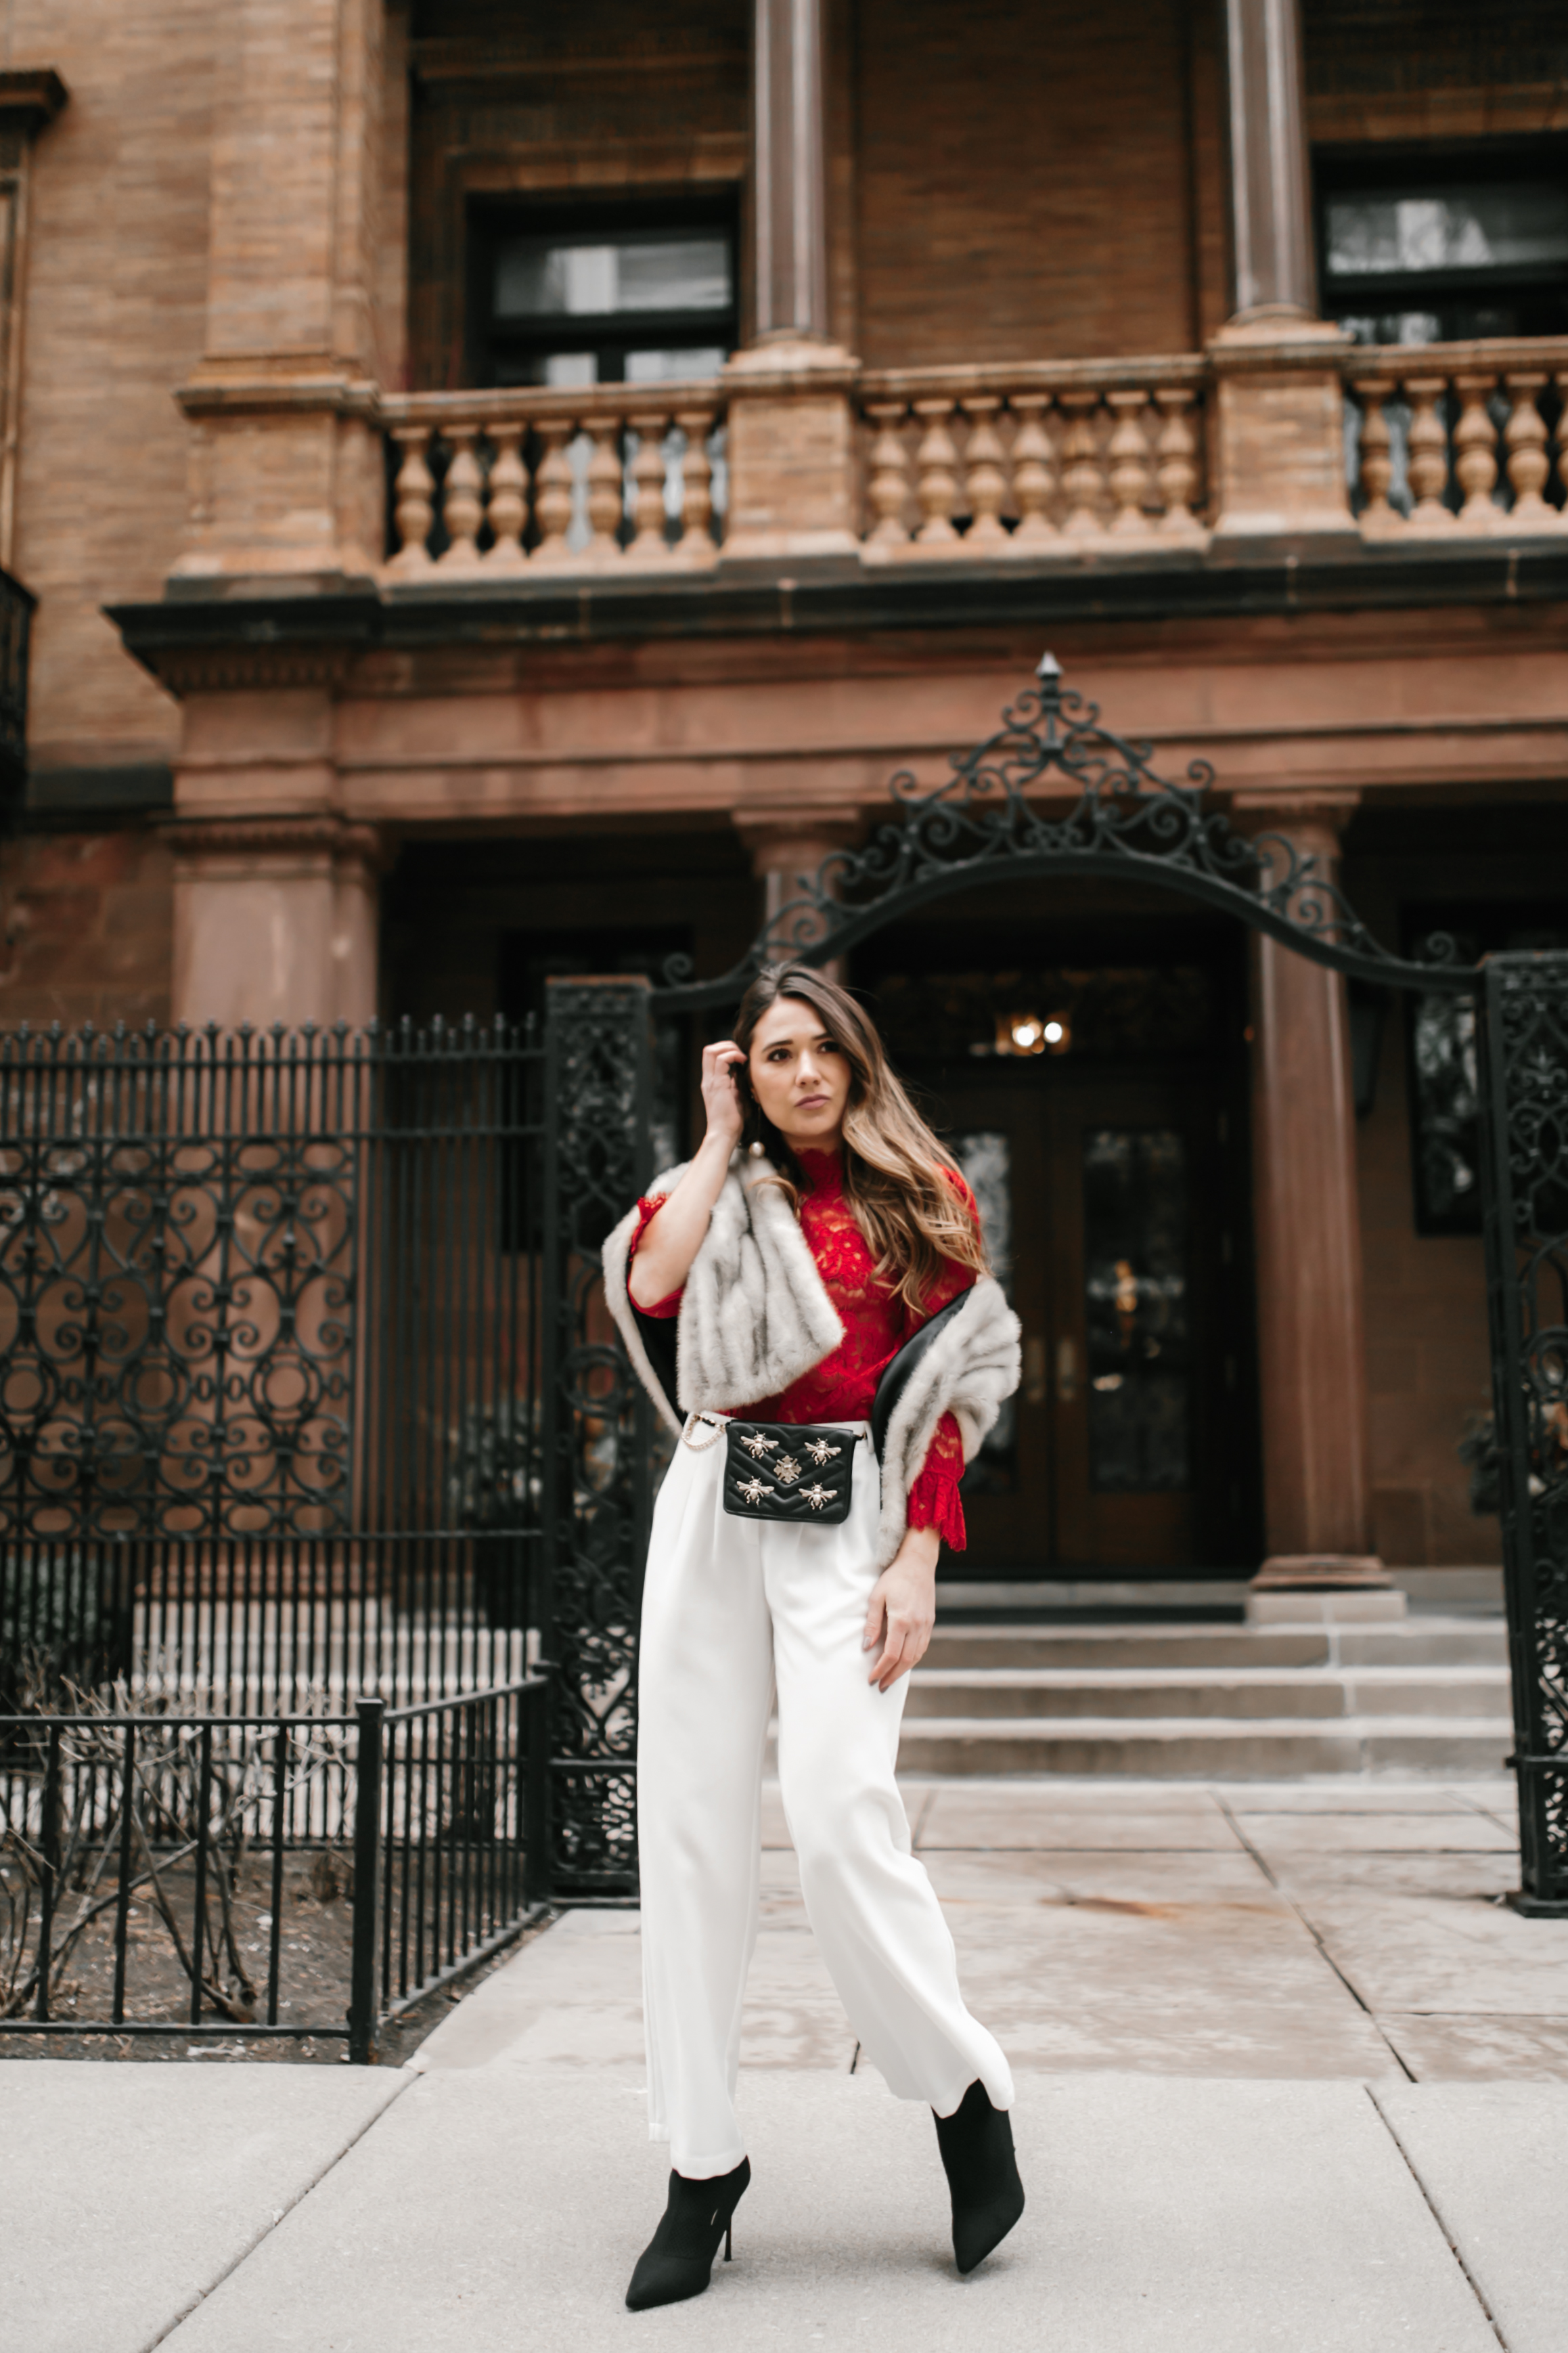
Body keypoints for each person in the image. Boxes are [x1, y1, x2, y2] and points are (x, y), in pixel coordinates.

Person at [602, 962, 1025, 2310]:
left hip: (853, 1514)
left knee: (843, 1815)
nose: (801, 1072)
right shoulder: (718, 1186)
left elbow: (954, 1390)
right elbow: (652, 1289)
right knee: (686, 1829)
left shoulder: (924, 1194)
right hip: (715, 1509)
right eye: (773, 1053)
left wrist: (919, 1553)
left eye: (819, 1049)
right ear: (748, 1071)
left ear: (856, 1058)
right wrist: (716, 1141)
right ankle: (699, 2165)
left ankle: (962, 2093)